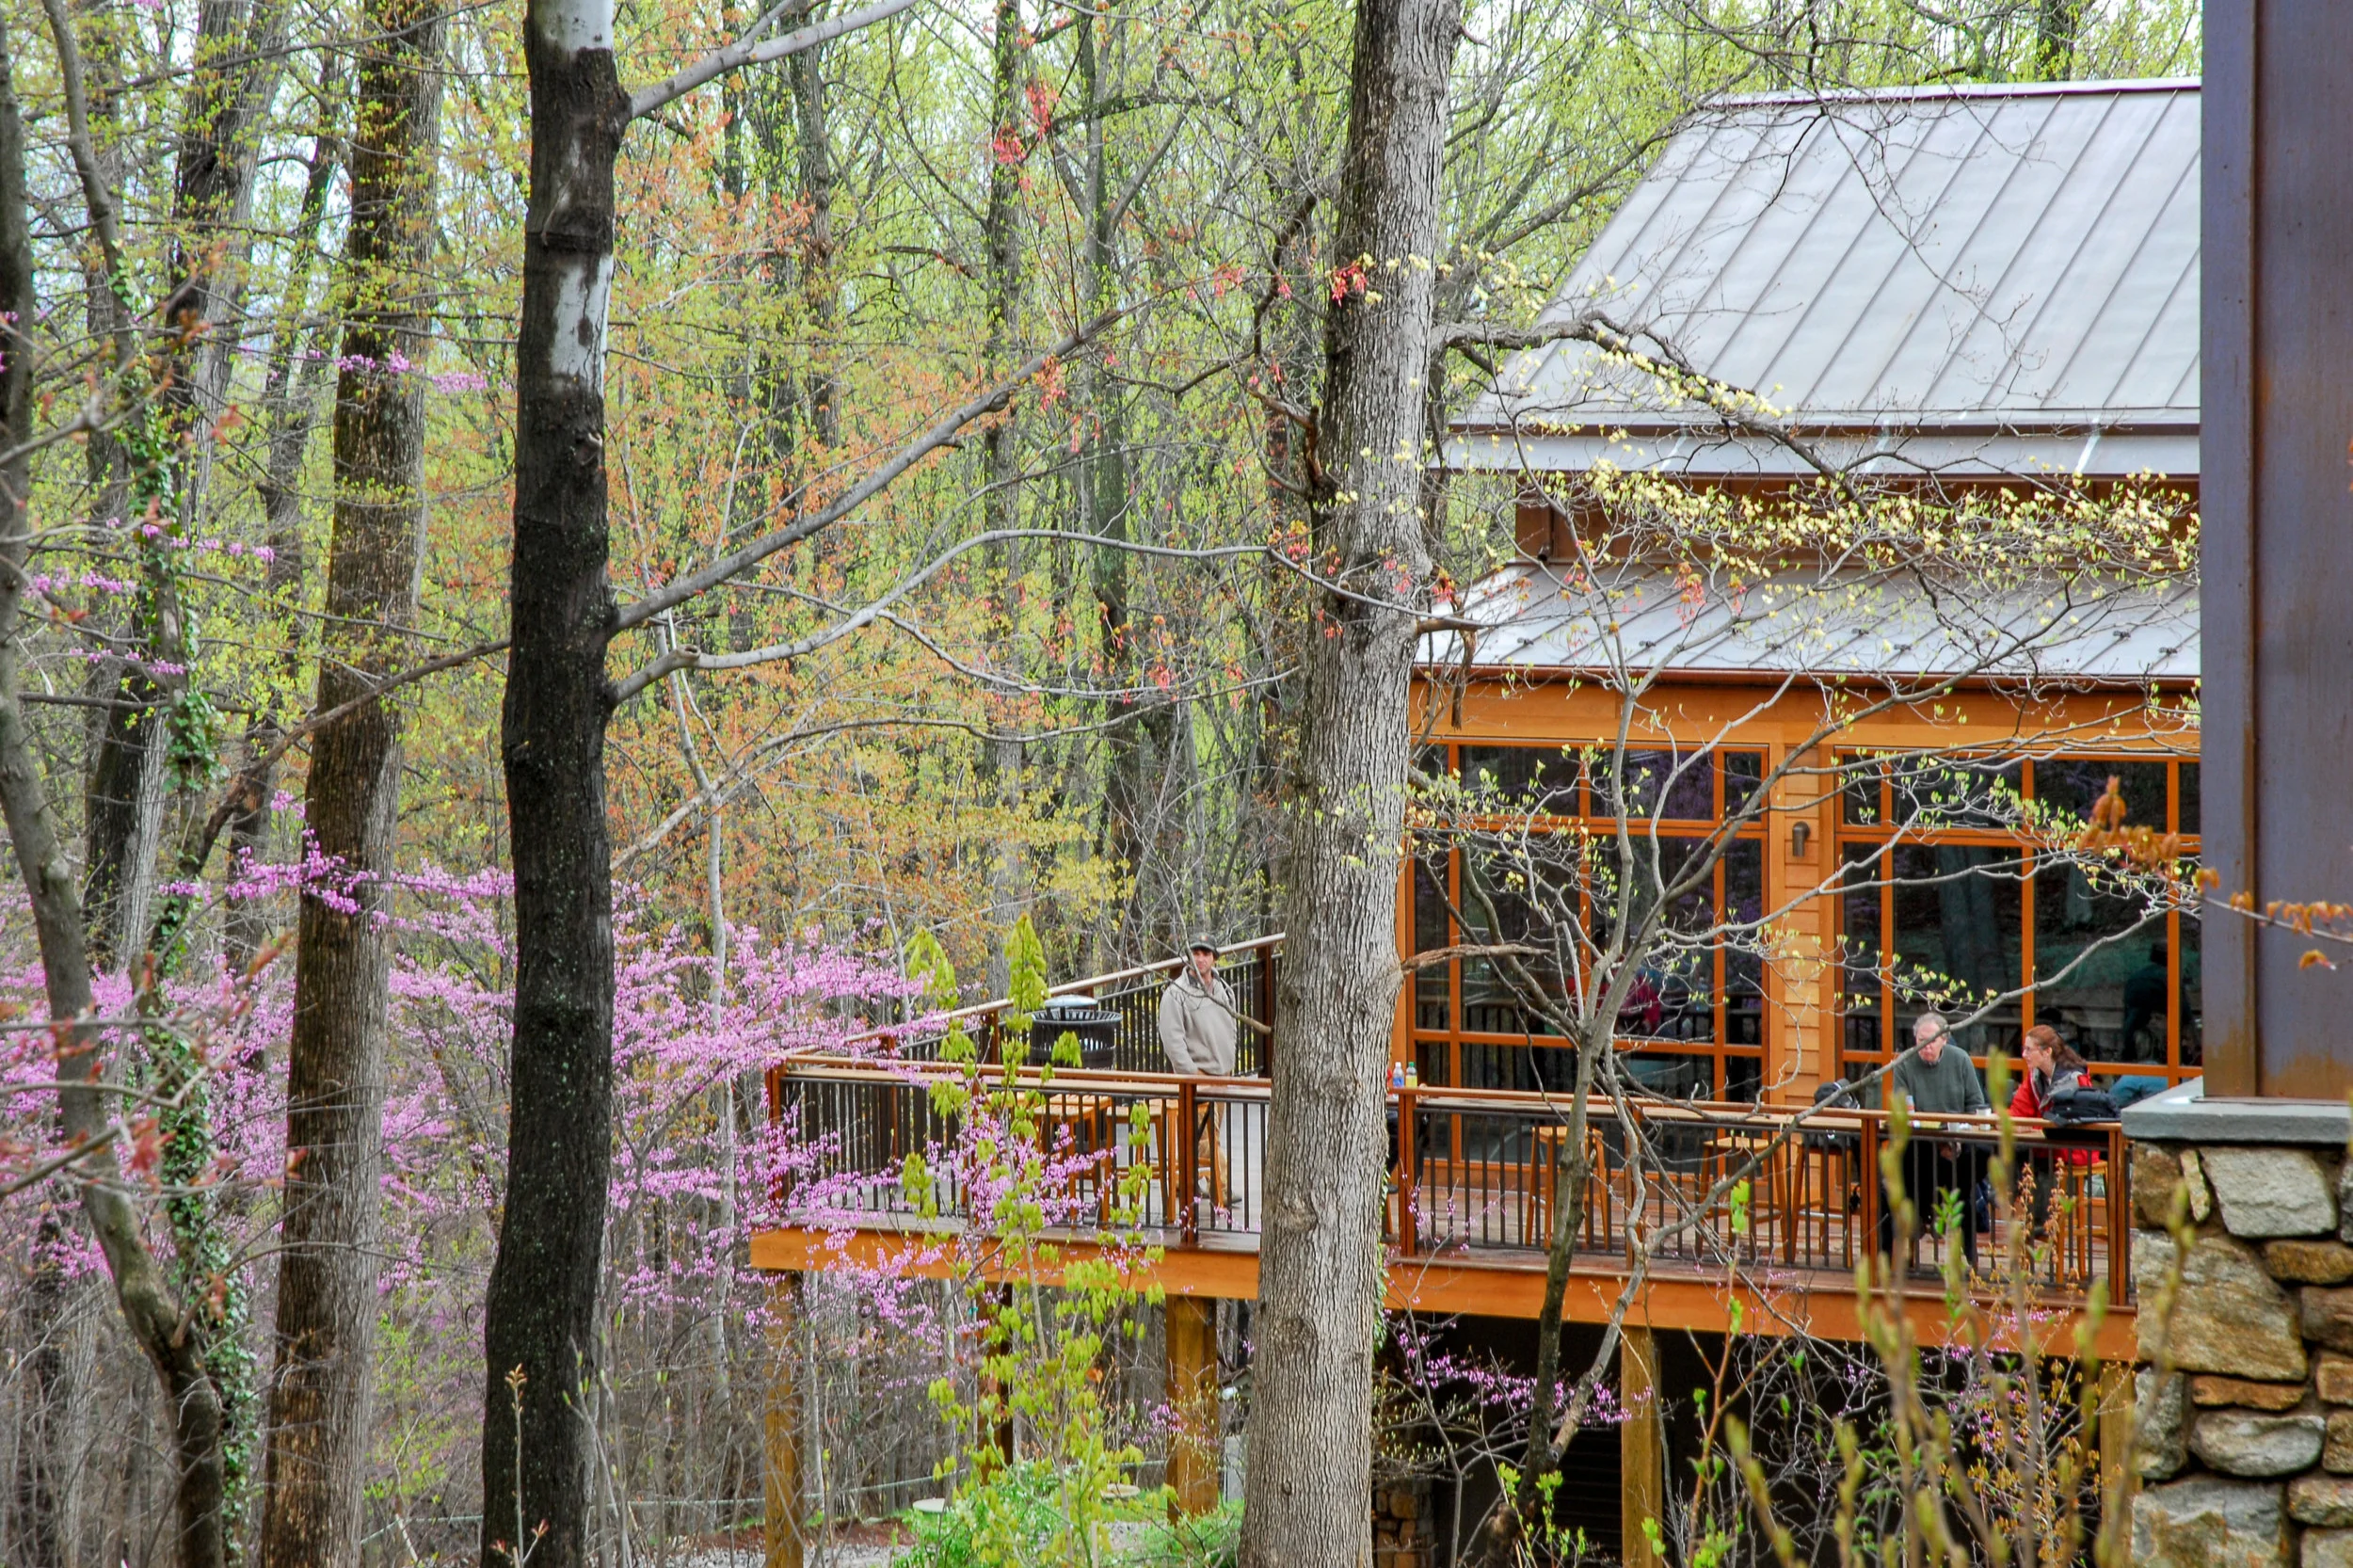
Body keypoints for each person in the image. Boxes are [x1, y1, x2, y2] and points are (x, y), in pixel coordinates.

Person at [1881, 1012, 1991, 1269]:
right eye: (1920, 1040)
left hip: (1957, 1144)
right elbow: (1904, 1110)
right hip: (1920, 1147)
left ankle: (1962, 1236)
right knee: (1901, 1167)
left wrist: (1955, 1136)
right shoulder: (1905, 1064)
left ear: (1944, 1040)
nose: (1925, 1046)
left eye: (1930, 1041)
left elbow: (1976, 1106)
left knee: (1983, 1153)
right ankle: (1921, 1214)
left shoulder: (1960, 1060)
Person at [1158, 936, 1235, 1204]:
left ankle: (1186, 1183)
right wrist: (1191, 1076)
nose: (1200, 958)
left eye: (1206, 953)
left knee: (1202, 1136)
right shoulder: (1175, 994)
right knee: (1204, 1134)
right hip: (1198, 1077)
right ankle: (1220, 1187)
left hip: (1221, 1075)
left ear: (1214, 957)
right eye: (1196, 952)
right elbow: (1173, 1040)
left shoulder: (1221, 988)